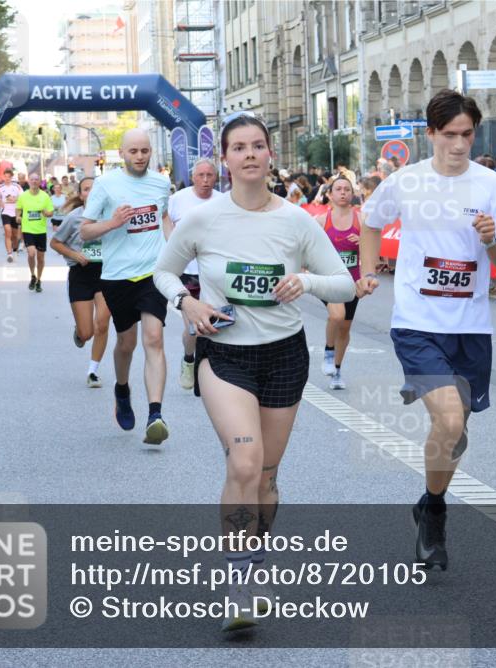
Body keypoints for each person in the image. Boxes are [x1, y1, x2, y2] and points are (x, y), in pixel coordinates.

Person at [153, 112, 355, 631]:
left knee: (266, 476)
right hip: (225, 356)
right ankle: (237, 584)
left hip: (284, 356)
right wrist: (186, 304)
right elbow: (164, 271)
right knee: (244, 462)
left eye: (257, 146)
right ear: (224, 159)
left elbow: (345, 284)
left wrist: (305, 282)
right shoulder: (204, 219)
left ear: (270, 155)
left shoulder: (295, 220)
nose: (248, 154)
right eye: (237, 147)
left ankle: (256, 567)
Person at [358, 89, 496, 572]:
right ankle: (436, 513)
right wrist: (368, 270)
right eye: (448, 135)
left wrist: (491, 242)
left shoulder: (492, 186)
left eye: (466, 135)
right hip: (416, 323)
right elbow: (371, 222)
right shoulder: (406, 182)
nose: (458, 144)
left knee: (455, 432)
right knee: (449, 421)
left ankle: (429, 501)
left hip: (471, 328)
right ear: (430, 134)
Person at [80, 129, 173, 446]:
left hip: (153, 273)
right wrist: (113, 223)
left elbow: (163, 218)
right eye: (133, 151)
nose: (140, 156)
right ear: (121, 153)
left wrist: (175, 249)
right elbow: (86, 232)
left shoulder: (161, 183)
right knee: (126, 343)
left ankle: (155, 415)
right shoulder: (106, 185)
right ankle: (122, 389)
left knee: (154, 338)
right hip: (118, 276)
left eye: (145, 150)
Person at [50, 177, 112, 388]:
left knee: (102, 322)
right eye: (86, 190)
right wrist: (74, 255)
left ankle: (93, 371)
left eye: (95, 189)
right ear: (81, 194)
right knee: (88, 332)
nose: (91, 193)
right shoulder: (73, 218)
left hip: (106, 274)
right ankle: (79, 332)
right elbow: (55, 242)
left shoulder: (110, 215)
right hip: (81, 274)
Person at [167, 158, 219, 390]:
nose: (205, 181)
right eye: (201, 176)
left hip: (214, 274)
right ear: (193, 177)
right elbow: (164, 220)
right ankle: (189, 359)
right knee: (194, 327)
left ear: (216, 178)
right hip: (187, 273)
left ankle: (210, 367)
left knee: (215, 324)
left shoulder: (223, 201)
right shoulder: (178, 200)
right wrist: (171, 246)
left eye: (210, 176)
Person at [314, 175, 362, 390]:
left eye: (347, 189)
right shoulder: (321, 221)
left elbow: (374, 256)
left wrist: (362, 243)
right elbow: (309, 249)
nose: (343, 192)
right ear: (330, 194)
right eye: (339, 189)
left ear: (352, 194)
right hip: (329, 279)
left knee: (344, 327)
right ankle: (328, 351)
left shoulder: (362, 220)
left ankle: (337, 369)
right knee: (337, 315)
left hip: (352, 281)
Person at [15, 174, 54, 293]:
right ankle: (32, 275)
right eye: (32, 179)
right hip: (28, 230)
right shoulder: (23, 196)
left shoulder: (45, 196)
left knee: (41, 258)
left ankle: (39, 280)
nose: (34, 181)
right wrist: (17, 216)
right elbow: (18, 208)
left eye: (36, 179)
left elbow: (51, 212)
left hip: (41, 231)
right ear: (29, 181)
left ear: (39, 182)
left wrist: (46, 213)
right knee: (31, 254)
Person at [0, 168, 23, 263]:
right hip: (5, 212)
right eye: (5, 177)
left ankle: (15, 251)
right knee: (8, 232)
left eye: (8, 177)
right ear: (3, 177)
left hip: (15, 213)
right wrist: (0, 203)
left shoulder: (17, 187)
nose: (7, 178)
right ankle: (9, 254)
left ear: (11, 177)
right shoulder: (0, 187)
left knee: (15, 236)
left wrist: (15, 199)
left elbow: (22, 197)